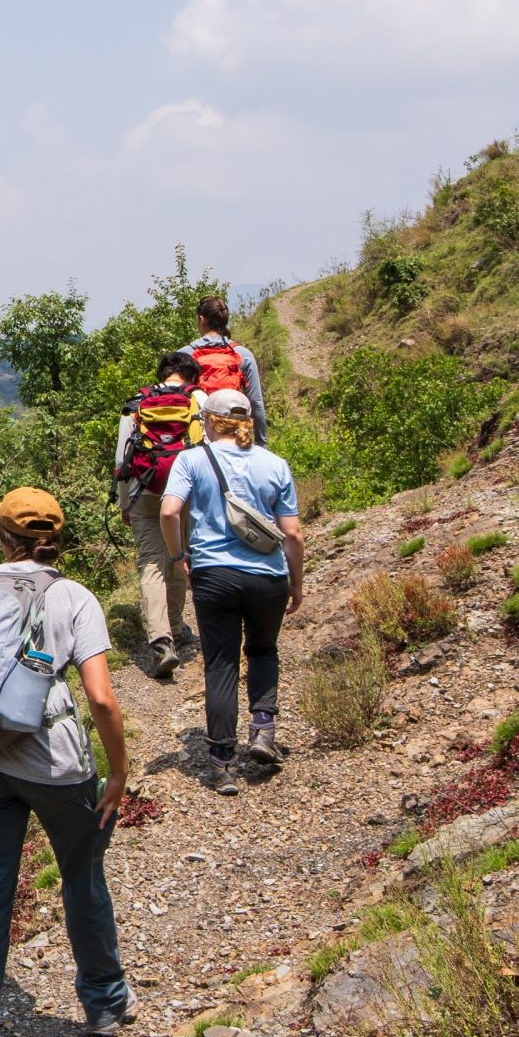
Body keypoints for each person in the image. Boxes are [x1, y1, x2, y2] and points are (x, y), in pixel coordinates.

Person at [0, 489, 133, 1037]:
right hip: (54, 762)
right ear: (58, 538)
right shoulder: (71, 596)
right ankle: (102, 1005)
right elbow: (100, 695)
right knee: (81, 876)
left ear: (2, 536)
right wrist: (119, 769)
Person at [159, 389, 306, 795]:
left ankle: (223, 764)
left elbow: (169, 511)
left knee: (220, 664)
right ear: (248, 421)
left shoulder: (191, 460)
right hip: (268, 576)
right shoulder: (274, 463)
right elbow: (292, 533)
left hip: (213, 575)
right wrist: (296, 582)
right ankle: (262, 731)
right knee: (262, 650)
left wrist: (178, 557)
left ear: (208, 420)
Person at [116, 349, 203, 680]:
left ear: (163, 373)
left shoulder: (137, 403)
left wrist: (125, 503)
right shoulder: (197, 400)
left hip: (144, 493)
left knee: (151, 566)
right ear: (189, 376)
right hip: (184, 496)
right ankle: (178, 627)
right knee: (178, 557)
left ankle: (161, 642)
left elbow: (122, 458)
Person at [184, 294, 267, 445]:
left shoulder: (184, 355)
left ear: (201, 320)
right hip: (234, 436)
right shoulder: (243, 354)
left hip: (197, 440)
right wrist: (262, 443)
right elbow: (256, 403)